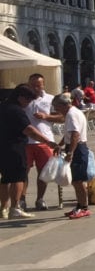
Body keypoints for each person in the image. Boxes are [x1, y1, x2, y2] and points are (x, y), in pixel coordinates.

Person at [2, 86, 60, 220]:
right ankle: (15, 208)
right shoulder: (16, 111)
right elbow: (29, 130)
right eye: (27, 100)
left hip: (3, 146)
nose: (28, 104)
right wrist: (48, 142)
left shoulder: (3, 106)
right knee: (18, 178)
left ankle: (3, 208)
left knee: (5, 179)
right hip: (15, 147)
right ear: (20, 97)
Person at [24, 73, 60, 211]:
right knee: (23, 172)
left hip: (46, 141)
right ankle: (21, 199)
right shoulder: (23, 99)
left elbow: (62, 116)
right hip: (26, 141)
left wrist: (47, 116)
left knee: (44, 172)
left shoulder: (50, 99)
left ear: (43, 85)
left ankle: (40, 199)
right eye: (32, 85)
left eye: (38, 85)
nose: (35, 88)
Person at [53, 92, 92, 219]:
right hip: (76, 147)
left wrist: (70, 152)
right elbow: (69, 134)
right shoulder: (73, 112)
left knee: (78, 180)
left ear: (62, 105)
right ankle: (79, 205)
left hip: (78, 148)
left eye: (56, 106)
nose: (55, 110)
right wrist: (60, 144)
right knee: (75, 180)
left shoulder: (71, 114)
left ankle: (84, 207)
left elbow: (75, 134)